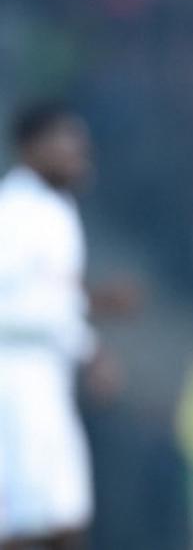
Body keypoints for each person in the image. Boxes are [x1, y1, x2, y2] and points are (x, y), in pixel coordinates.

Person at [0, 103, 98, 550]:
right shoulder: (14, 209)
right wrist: (82, 324)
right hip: (14, 376)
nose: (78, 150)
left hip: (47, 377)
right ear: (32, 146)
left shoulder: (58, 208)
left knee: (65, 514)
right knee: (25, 521)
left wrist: (87, 346)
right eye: (66, 139)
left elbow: (59, 296)